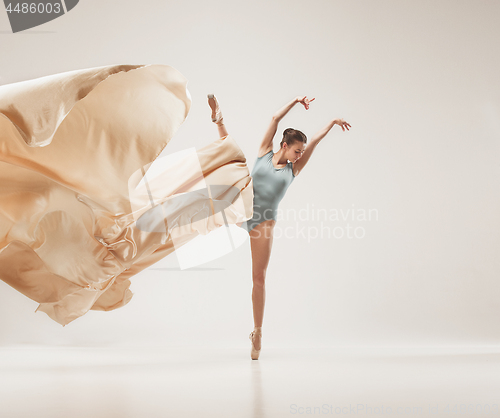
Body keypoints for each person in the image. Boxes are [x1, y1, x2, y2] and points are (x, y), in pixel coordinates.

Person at [207, 94, 351, 359]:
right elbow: (274, 118)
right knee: (232, 162)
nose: (300, 155)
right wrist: (295, 102)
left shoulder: (293, 170)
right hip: (240, 210)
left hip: (262, 224)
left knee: (258, 278)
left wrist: (331, 122)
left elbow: (316, 140)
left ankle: (257, 331)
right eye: (297, 150)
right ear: (283, 145)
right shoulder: (264, 153)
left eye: (302, 152)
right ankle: (219, 121)